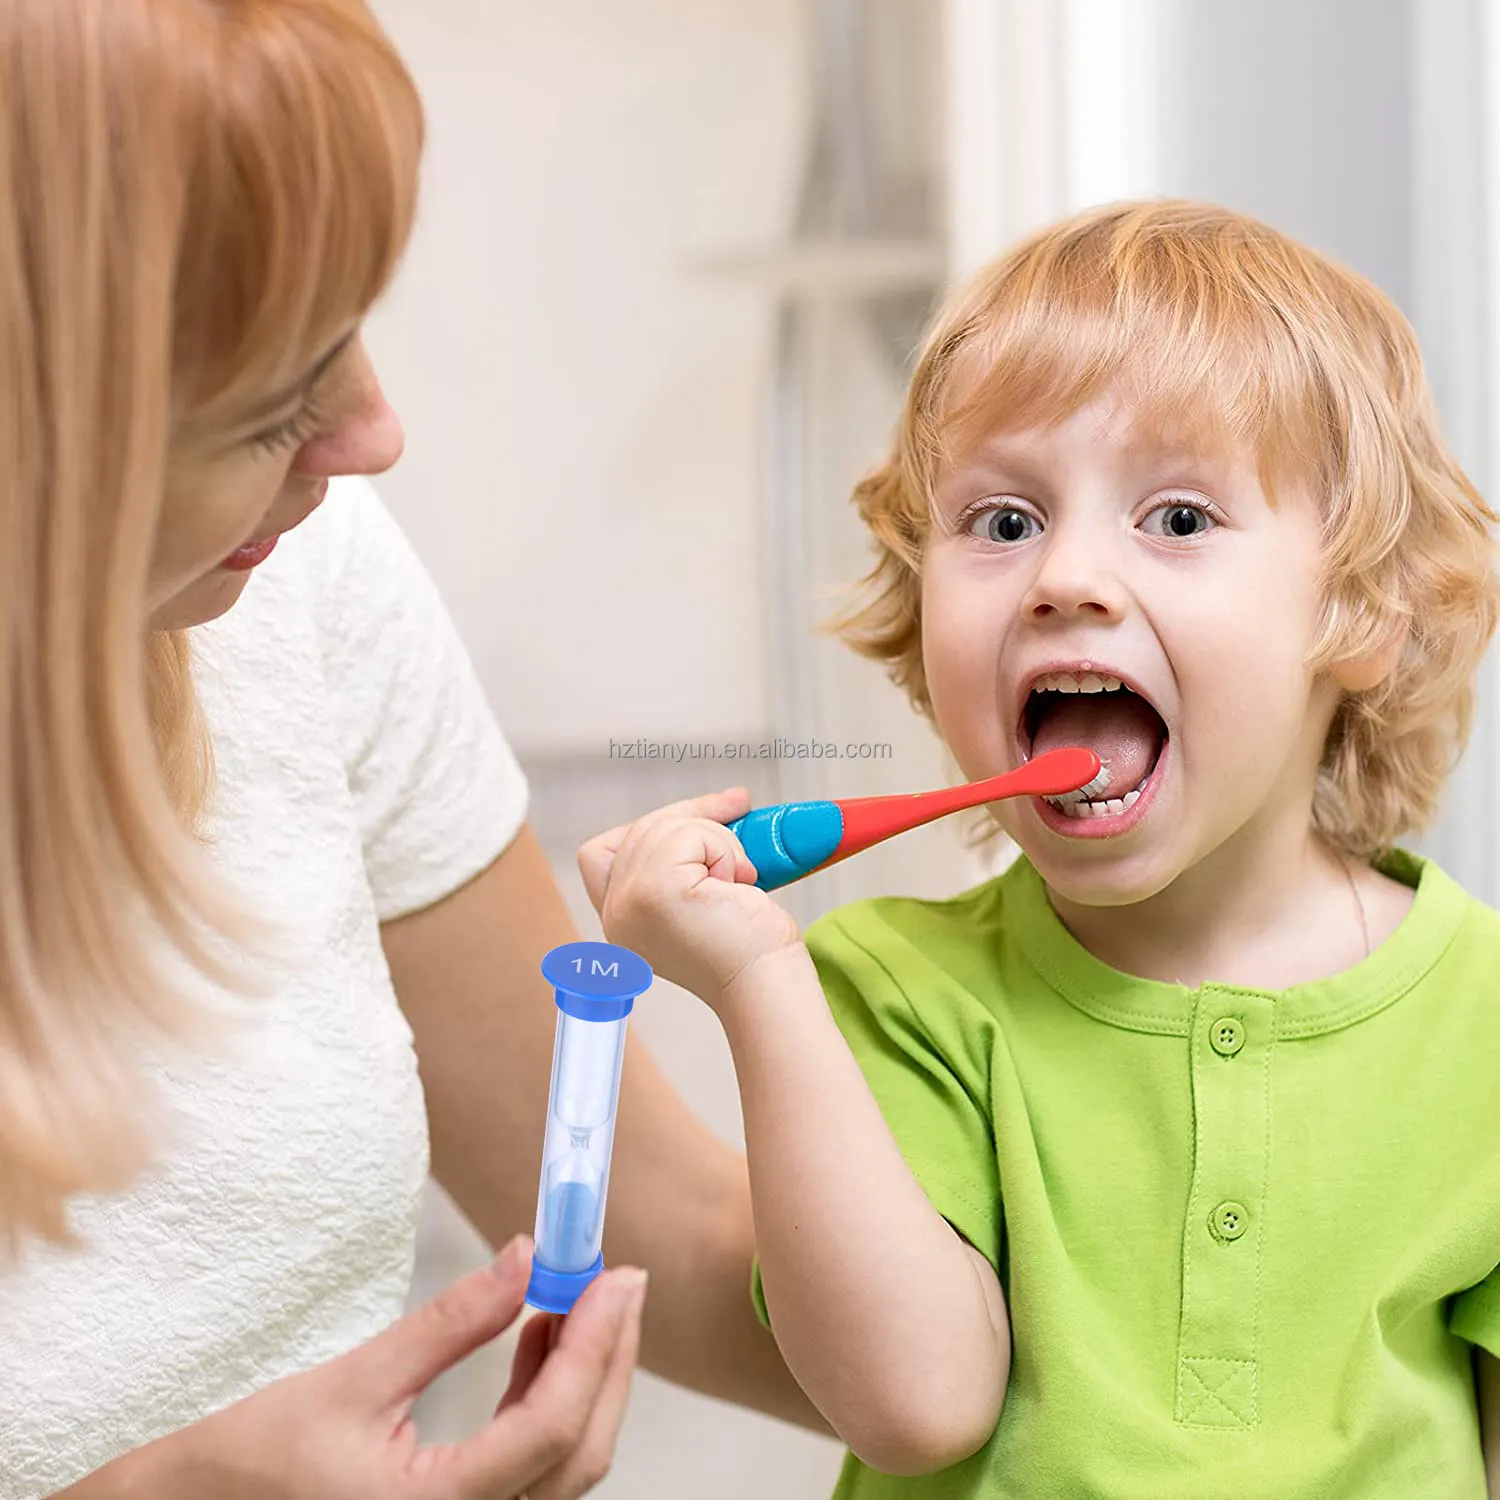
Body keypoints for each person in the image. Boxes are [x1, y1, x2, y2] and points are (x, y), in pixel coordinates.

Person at [0, 2, 817, 1496]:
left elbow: (673, 1231)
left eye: (348, 323)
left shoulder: (292, 575)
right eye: (264, 397)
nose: (374, 433)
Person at [581, 200, 1500, 1497]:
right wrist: (753, 982)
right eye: (1004, 523)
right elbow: (916, 1406)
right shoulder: (898, 994)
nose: (1067, 576)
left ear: (1363, 607)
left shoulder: (1485, 1023)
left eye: (1177, 519)